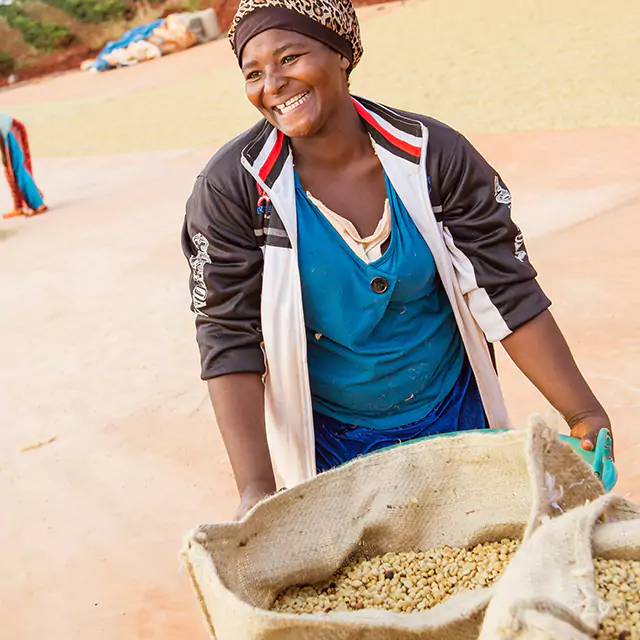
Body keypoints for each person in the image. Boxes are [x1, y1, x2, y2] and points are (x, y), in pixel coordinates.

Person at [182, 0, 613, 519]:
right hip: (330, 442)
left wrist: (583, 412)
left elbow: (507, 291)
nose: (271, 84)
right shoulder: (234, 189)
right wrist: (256, 488)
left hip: (454, 416)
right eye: (253, 72)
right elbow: (227, 334)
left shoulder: (434, 156)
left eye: (290, 57)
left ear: (341, 53)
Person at [1, 110, 47, 219]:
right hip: (4, 134)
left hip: (11, 130)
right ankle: (19, 206)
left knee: (18, 169)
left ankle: (38, 204)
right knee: (9, 169)